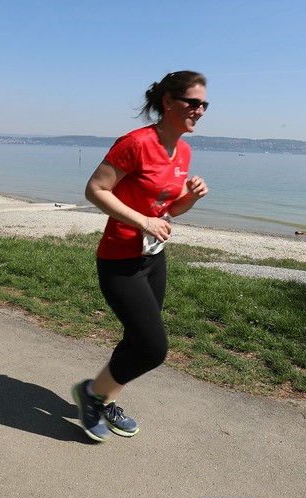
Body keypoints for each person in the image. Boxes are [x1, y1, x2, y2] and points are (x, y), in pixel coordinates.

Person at [73, 70, 210, 441]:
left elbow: (170, 209)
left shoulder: (182, 149)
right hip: (120, 259)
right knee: (152, 348)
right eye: (193, 103)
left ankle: (103, 398)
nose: (200, 110)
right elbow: (95, 190)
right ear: (169, 103)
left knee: (136, 339)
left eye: (204, 104)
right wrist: (143, 222)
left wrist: (191, 197)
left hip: (153, 258)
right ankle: (91, 394)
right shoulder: (135, 143)